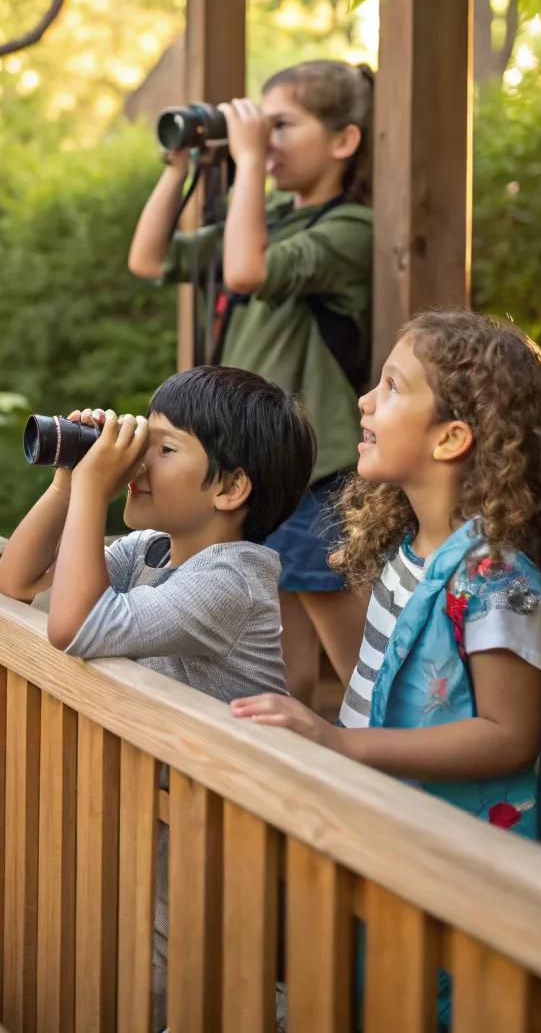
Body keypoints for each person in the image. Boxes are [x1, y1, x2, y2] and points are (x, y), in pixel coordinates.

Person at [0, 363, 315, 1030]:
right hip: (166, 818)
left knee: (197, 987)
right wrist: (67, 483)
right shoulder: (150, 550)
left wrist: (94, 487)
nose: (136, 458)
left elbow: (73, 624)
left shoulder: (232, 581)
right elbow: (14, 584)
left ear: (230, 487)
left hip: (219, 839)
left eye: (163, 448)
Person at [232, 308, 541, 844]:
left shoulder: (495, 580)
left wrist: (342, 744)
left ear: (450, 439)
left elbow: (509, 737)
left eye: (392, 387)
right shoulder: (407, 553)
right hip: (392, 824)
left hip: (455, 852)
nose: (364, 401)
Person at [128, 60, 374, 706]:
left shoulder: (352, 228)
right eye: (262, 125)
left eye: (282, 125)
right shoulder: (272, 221)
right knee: (284, 667)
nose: (266, 137)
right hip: (259, 466)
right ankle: (282, 762)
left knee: (356, 662)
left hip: (317, 470)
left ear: (344, 140)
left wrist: (247, 160)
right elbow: (149, 259)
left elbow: (245, 271)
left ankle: (389, 756)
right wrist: (177, 169)